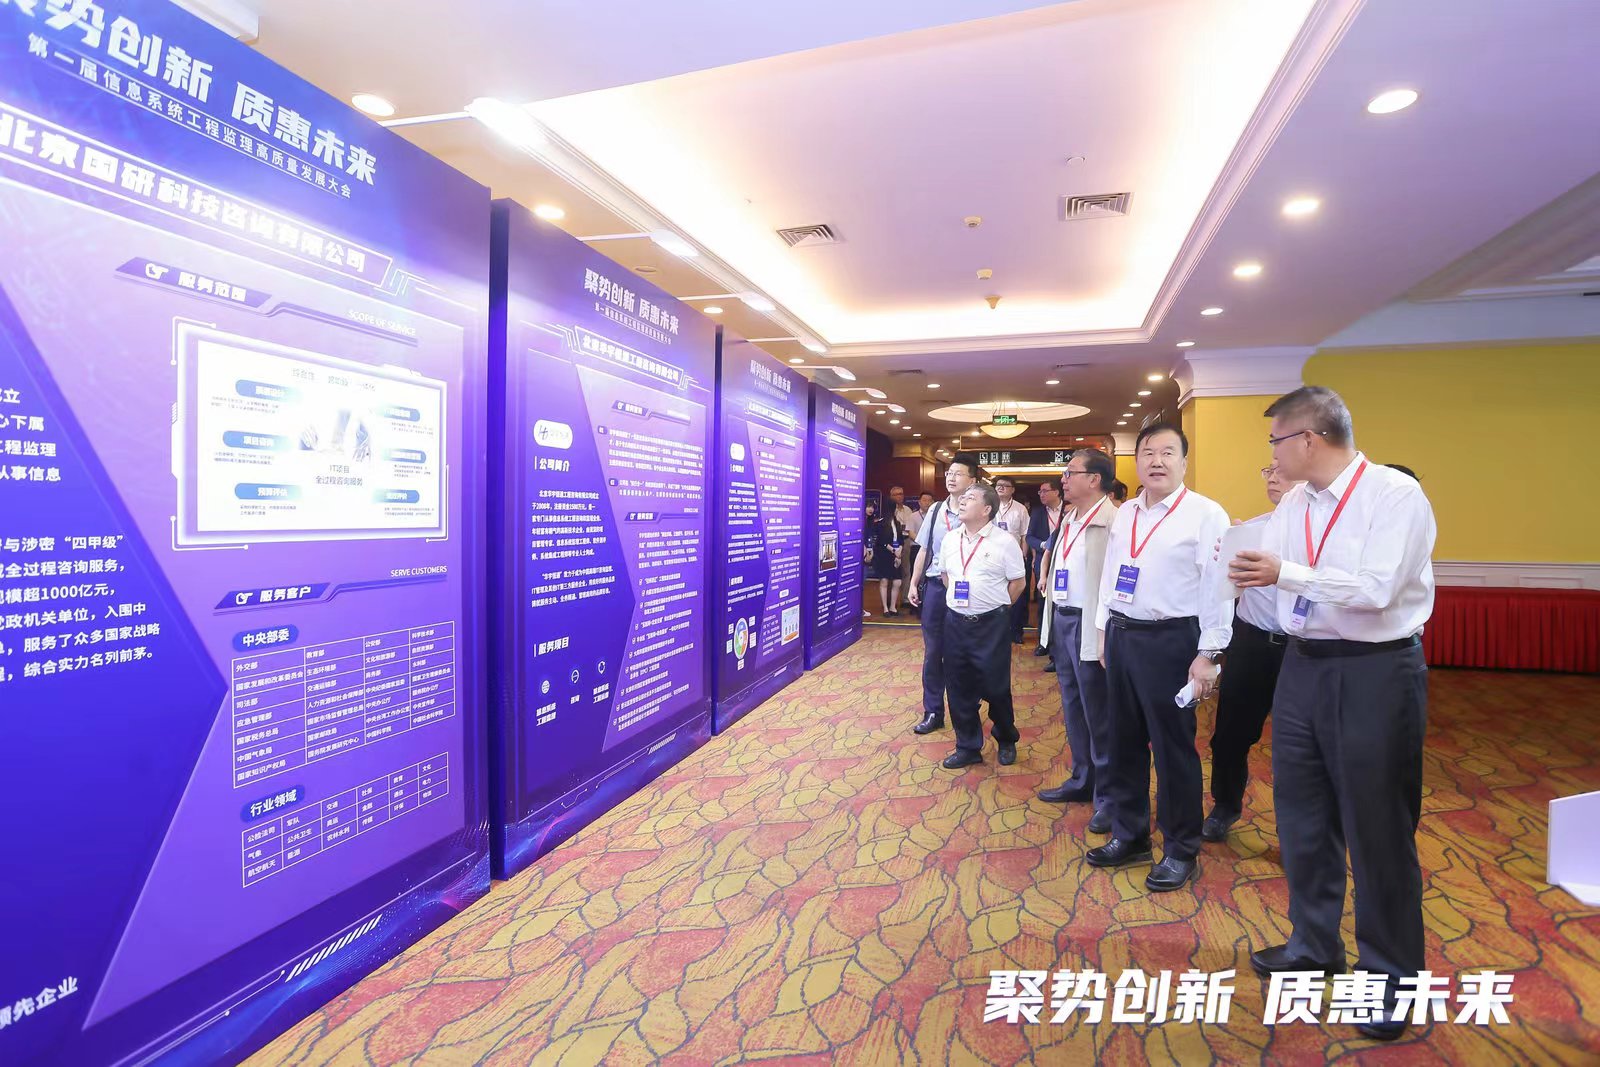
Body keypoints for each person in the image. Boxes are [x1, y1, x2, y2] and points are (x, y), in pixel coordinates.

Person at [1230, 386, 1435, 1042]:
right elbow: (1275, 579)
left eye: (1275, 441)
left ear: (1309, 439)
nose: (1271, 455)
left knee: (1378, 829)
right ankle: (1314, 944)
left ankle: (1391, 979)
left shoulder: (1395, 495)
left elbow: (1377, 589)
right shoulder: (1296, 503)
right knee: (1302, 815)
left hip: (1374, 670)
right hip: (1303, 665)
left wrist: (1287, 573)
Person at [1088, 423, 1231, 893]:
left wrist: (1209, 653)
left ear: (1184, 461)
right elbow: (1112, 573)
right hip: (1123, 636)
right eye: (1148, 452)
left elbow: (1218, 588)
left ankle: (1180, 848)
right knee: (1123, 743)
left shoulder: (1206, 514)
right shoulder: (1127, 511)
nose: (1156, 461)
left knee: (1173, 749)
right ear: (1136, 462)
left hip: (1173, 640)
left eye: (1168, 452)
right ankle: (1130, 836)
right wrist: (1104, 631)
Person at [1201, 461, 1293, 842]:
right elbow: (1225, 591)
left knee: (1297, 743)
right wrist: (1224, 560)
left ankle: (1295, 829)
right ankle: (1225, 806)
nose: (1272, 477)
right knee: (1230, 734)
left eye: (1281, 470)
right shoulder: (1250, 530)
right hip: (1252, 642)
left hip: (1300, 649)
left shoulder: (1322, 536)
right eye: (1268, 470)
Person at [1036, 449, 1117, 835]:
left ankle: (1108, 796)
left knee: (1098, 711)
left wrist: (1103, 631)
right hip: (1064, 618)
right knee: (1072, 705)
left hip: (1091, 623)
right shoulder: (1070, 517)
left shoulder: (1113, 520)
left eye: (1070, 473)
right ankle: (1082, 778)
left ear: (1095, 479)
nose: (1063, 479)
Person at [935, 483, 1026, 768]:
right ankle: (968, 746)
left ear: (987, 509)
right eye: (962, 497)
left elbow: (1018, 583)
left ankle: (1006, 736)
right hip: (955, 623)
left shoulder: (1004, 541)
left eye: (970, 498)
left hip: (991, 626)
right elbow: (946, 577)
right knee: (958, 687)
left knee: (996, 687)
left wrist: (996, 609)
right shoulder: (950, 539)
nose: (962, 501)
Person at [907, 455, 983, 734]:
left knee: (965, 651)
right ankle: (933, 711)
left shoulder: (982, 510)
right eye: (949, 473)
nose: (951, 478)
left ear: (972, 480)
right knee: (933, 652)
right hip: (937, 588)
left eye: (958, 474)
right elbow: (924, 549)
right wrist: (913, 582)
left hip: (968, 589)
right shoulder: (936, 510)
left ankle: (967, 708)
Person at [1027, 478, 1067, 668]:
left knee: (1060, 603)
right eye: (1040, 492)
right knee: (1043, 604)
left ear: (1057, 492)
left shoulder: (1069, 508)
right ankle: (1043, 642)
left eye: (1045, 491)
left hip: (1064, 562)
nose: (1041, 494)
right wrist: (1043, 545)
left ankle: (1058, 647)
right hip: (1044, 560)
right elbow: (1029, 537)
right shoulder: (1037, 512)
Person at [992, 476, 1031, 644]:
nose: (1000, 488)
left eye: (1005, 486)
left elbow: (1025, 535)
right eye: (998, 485)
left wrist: (1023, 555)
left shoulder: (1020, 509)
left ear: (1013, 490)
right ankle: (997, 631)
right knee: (995, 592)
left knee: (1017, 595)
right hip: (992, 556)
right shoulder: (988, 506)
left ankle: (1016, 631)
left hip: (1014, 557)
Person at [870, 503, 908, 616]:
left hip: (896, 555)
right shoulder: (880, 524)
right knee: (884, 581)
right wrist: (893, 550)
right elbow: (881, 541)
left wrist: (899, 551)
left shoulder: (897, 523)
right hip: (884, 555)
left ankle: (893, 607)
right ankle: (885, 608)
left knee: (897, 581)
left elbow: (900, 539)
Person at [906, 491, 935, 615]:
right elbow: (910, 532)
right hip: (917, 548)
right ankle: (915, 604)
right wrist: (924, 542)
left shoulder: (936, 516)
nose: (927, 503)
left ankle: (926, 605)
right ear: (919, 502)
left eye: (929, 500)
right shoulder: (913, 516)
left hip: (932, 550)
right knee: (916, 575)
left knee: (929, 577)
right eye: (924, 500)